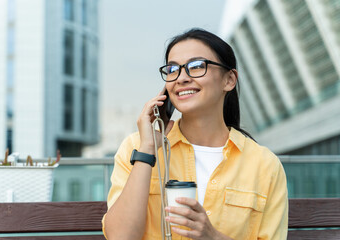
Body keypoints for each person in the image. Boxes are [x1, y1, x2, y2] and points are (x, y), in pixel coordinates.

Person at [102, 28, 288, 240]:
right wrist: (147, 151)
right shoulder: (137, 147)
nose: (181, 78)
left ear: (229, 80)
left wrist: (213, 237)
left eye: (197, 66)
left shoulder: (265, 165)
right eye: (172, 70)